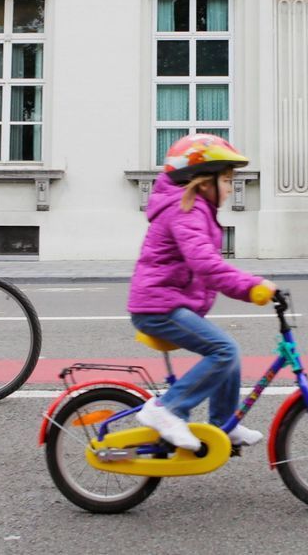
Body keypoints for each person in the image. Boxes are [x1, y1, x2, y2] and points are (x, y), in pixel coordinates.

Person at [128, 134, 278, 451]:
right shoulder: (186, 210)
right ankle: (166, 409)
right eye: (225, 179)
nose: (229, 187)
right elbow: (207, 265)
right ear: (202, 180)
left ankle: (223, 424)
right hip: (158, 307)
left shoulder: (196, 209)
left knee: (228, 354)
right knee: (224, 351)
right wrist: (253, 287)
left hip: (167, 303)